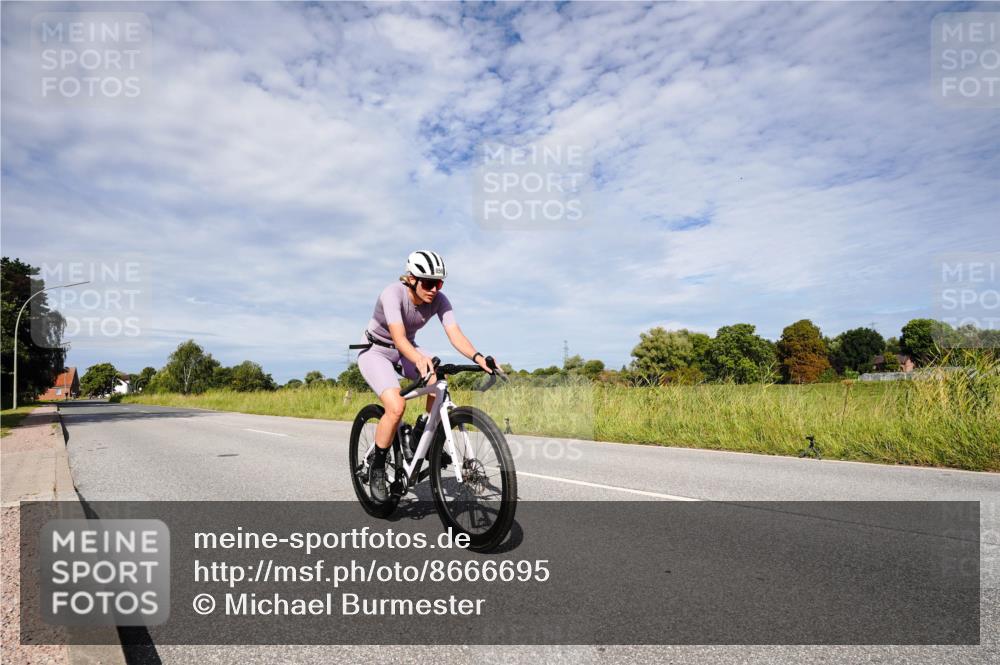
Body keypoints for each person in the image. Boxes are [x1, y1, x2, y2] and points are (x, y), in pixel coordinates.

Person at [354, 250, 500, 502]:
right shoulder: (392, 294)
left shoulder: (439, 300)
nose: (434, 289)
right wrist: (419, 358)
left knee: (438, 382)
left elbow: (454, 333)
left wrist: (479, 358)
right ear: (411, 278)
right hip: (375, 351)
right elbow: (398, 338)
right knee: (396, 406)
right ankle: (377, 467)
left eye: (439, 283)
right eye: (429, 283)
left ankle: (420, 432)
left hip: (405, 348)